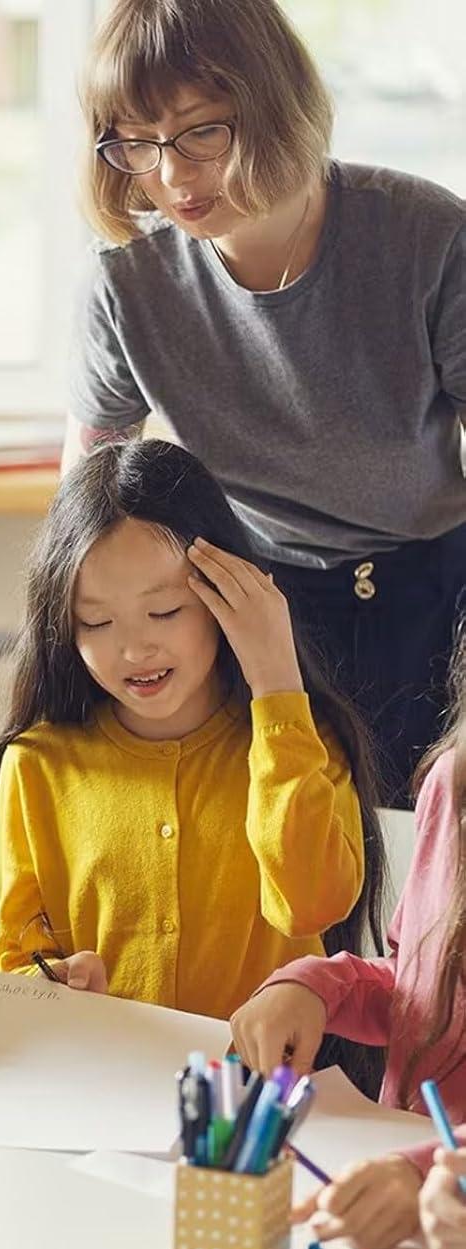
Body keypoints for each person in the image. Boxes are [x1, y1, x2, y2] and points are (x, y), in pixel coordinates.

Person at [68, 0, 466, 806]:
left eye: (202, 132)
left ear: (273, 108)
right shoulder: (126, 280)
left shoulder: (426, 237)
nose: (172, 176)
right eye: (137, 142)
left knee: (422, 857)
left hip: (432, 593)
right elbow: (95, 484)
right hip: (248, 598)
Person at [0, 439, 383, 1029]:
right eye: (96, 622)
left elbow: (310, 905)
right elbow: (18, 960)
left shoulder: (300, 742)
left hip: (253, 1098)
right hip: (105, 1085)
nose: (135, 648)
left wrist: (274, 682)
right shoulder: (38, 763)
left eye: (165, 612)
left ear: (226, 597)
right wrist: (54, 985)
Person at [231, 631, 466, 1249]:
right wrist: (315, 987)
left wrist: (419, 1175)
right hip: (396, 1229)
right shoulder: (454, 780)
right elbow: (425, 987)